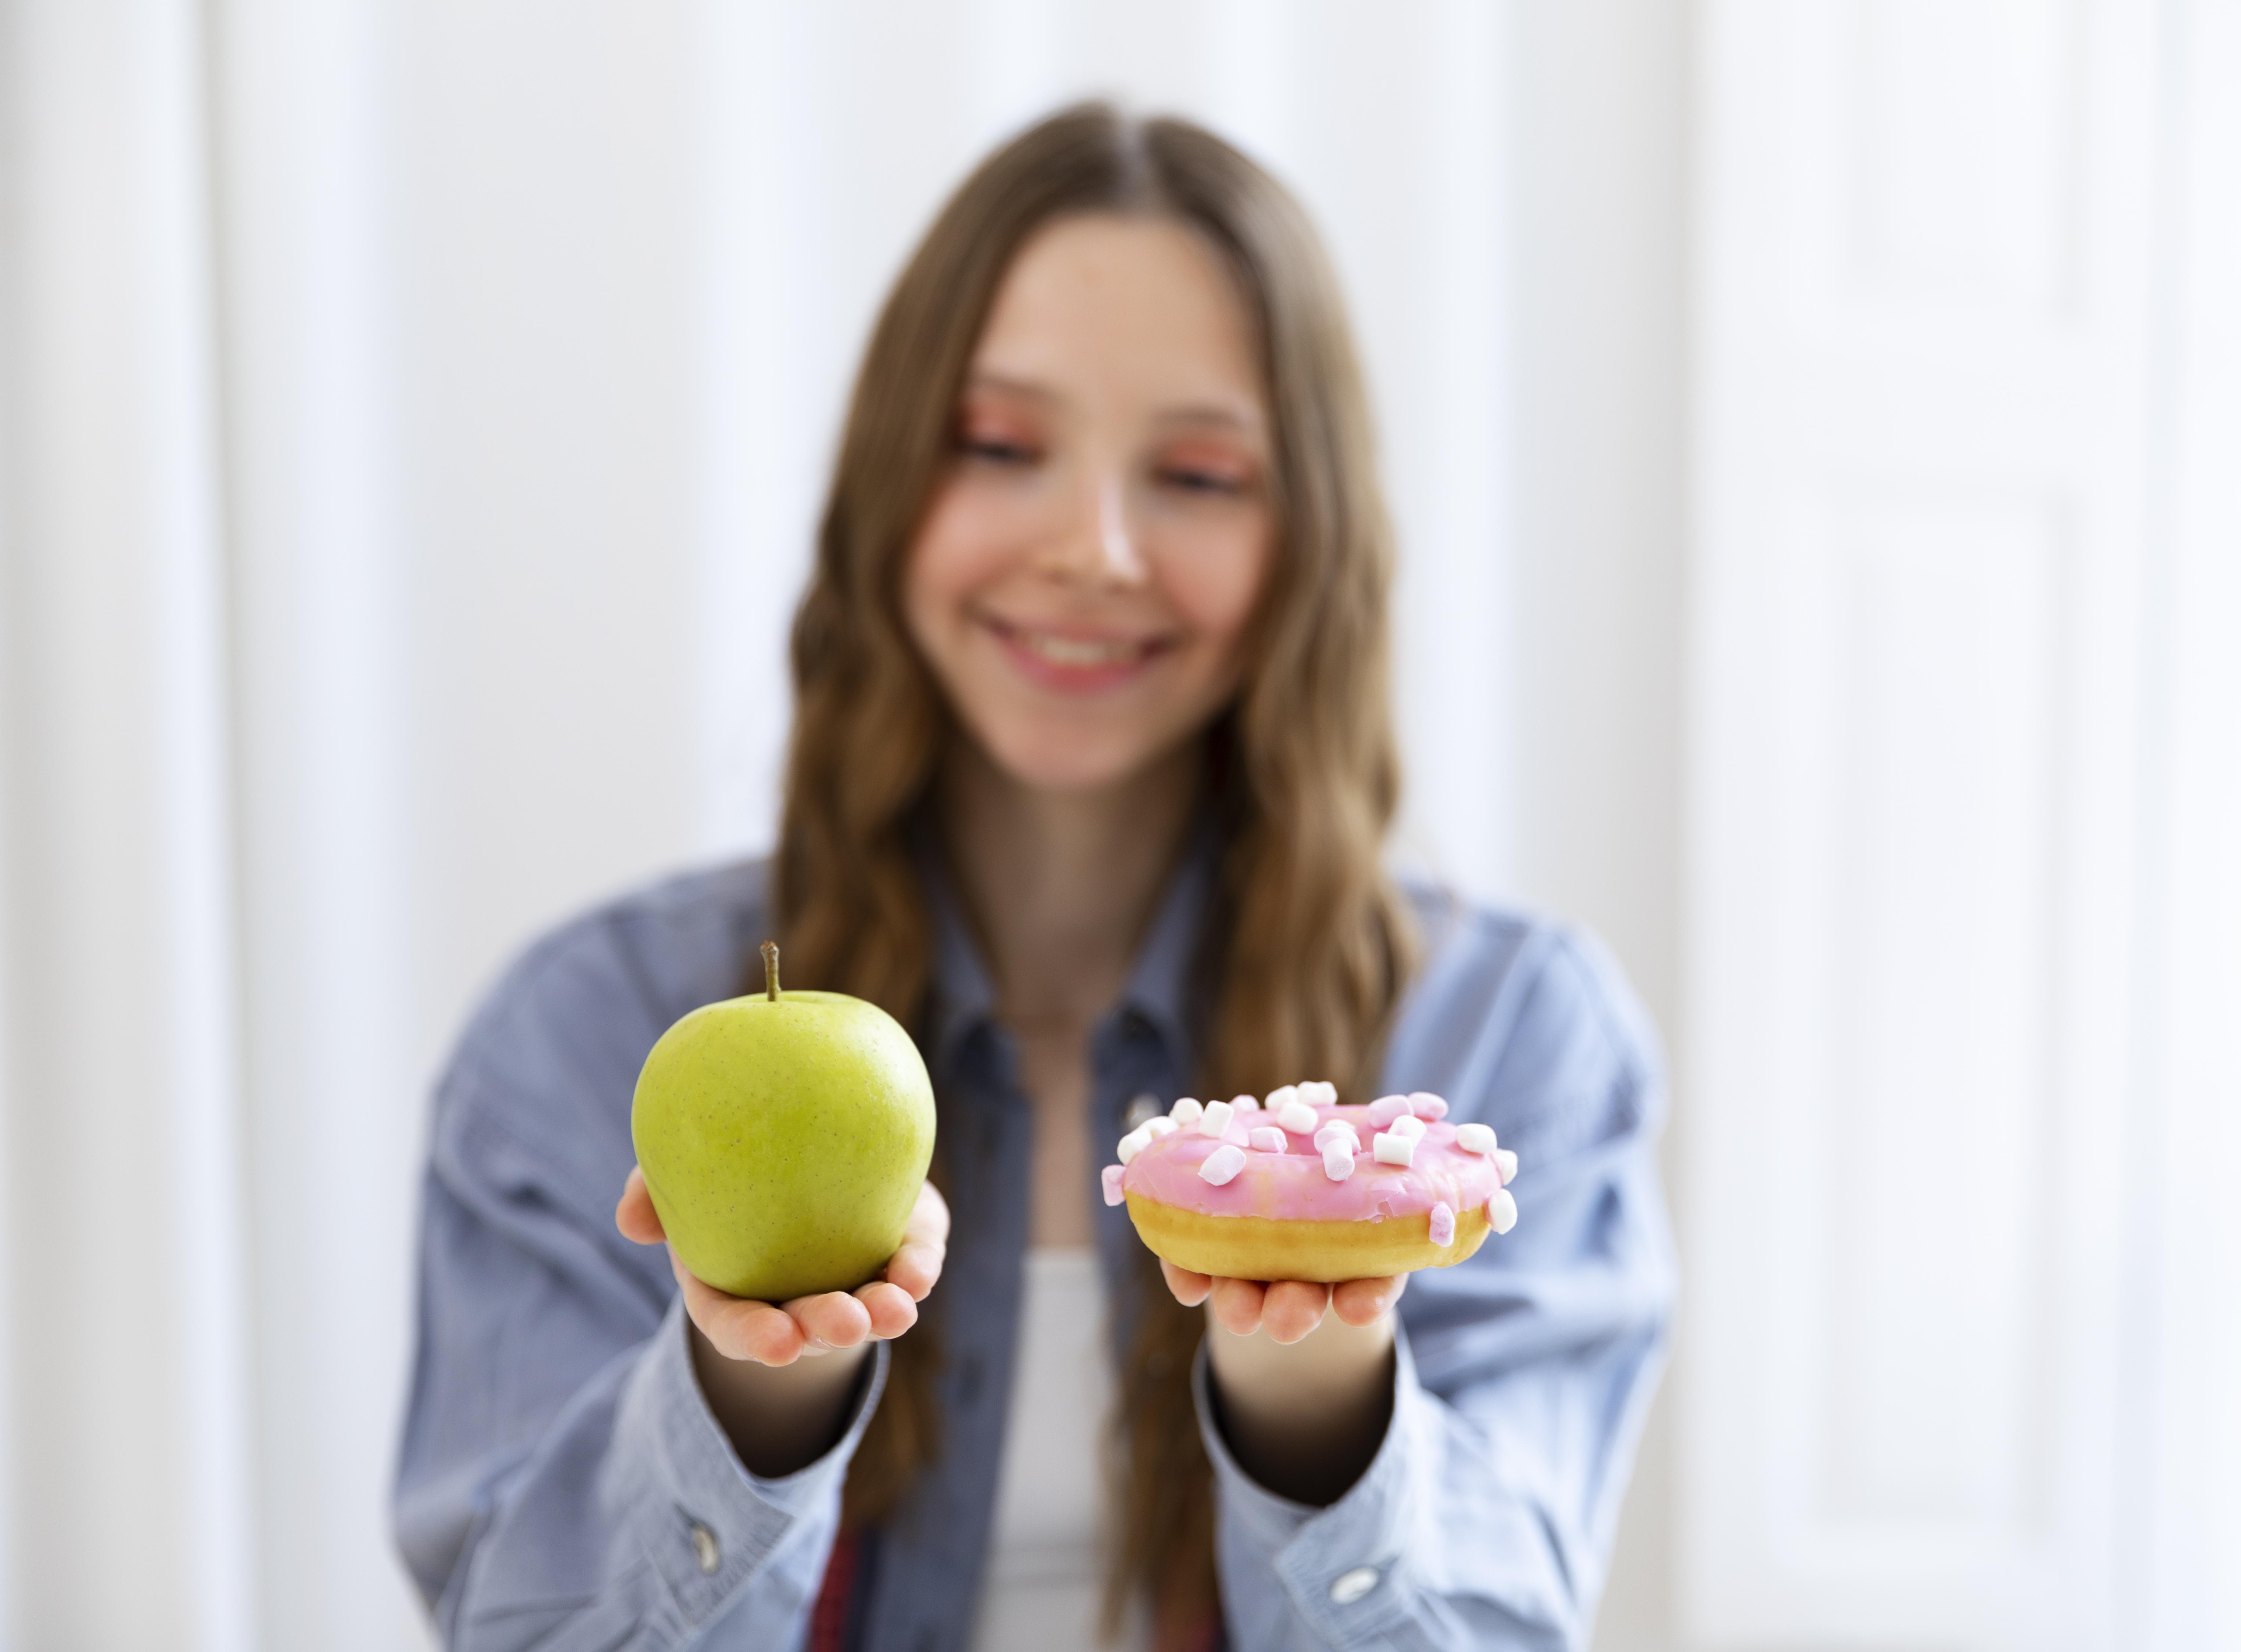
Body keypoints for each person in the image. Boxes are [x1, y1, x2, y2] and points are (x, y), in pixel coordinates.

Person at [393, 103, 1674, 1652]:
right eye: (1001, 448)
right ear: (886, 489)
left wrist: (1316, 1412)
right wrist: (749, 1393)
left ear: (1307, 545)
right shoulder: (590, 1026)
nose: (1094, 547)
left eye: (1196, 474)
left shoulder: (1504, 1037)